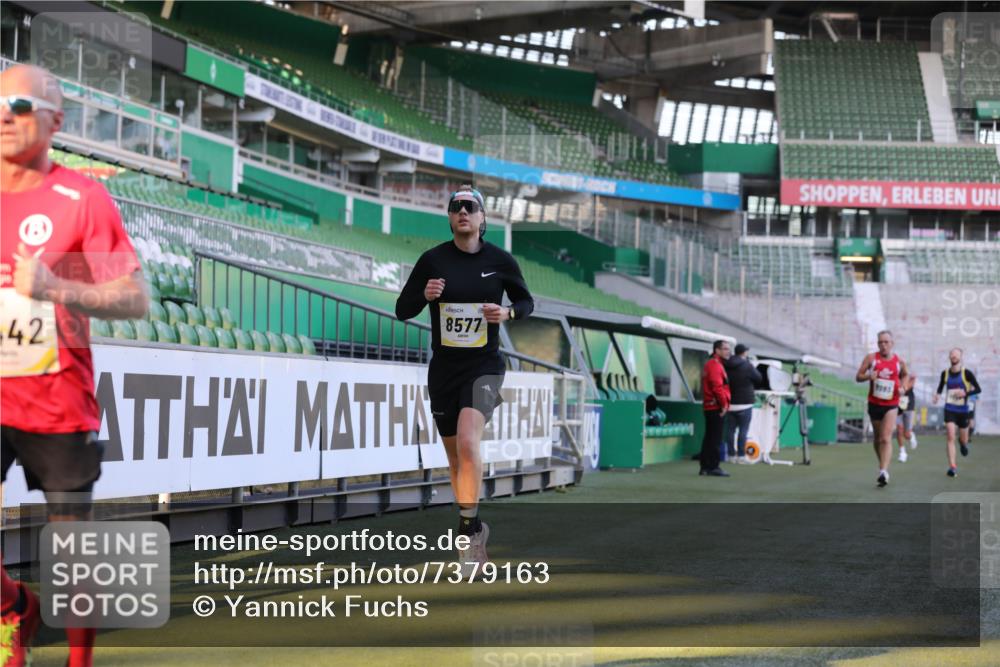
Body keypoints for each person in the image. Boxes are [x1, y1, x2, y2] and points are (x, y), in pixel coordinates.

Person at [1, 65, 149, 667]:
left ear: (55, 121)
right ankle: (15, 607)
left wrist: (59, 287)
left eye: (20, 104)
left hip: (57, 398)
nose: (6, 114)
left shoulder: (83, 198)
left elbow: (135, 298)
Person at [395, 185, 533, 575]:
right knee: (455, 459)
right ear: (450, 216)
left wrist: (506, 315)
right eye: (455, 207)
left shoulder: (500, 261)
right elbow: (403, 309)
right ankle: (473, 525)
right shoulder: (433, 260)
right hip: (444, 369)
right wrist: (424, 293)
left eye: (470, 207)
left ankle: (467, 534)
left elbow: (527, 302)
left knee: (470, 442)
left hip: (484, 366)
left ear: (482, 218)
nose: (462, 212)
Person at [855, 330, 909, 488]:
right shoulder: (871, 358)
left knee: (886, 438)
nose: (883, 345)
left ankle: (883, 471)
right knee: (877, 439)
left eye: (886, 342)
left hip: (891, 404)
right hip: (874, 403)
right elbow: (858, 376)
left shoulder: (899, 361)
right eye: (880, 342)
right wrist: (868, 376)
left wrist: (903, 387)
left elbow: (906, 375)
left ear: (892, 344)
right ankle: (882, 466)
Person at [932, 348, 982, 477]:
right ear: (949, 357)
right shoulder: (945, 373)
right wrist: (937, 395)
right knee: (950, 436)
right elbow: (940, 387)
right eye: (952, 354)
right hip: (950, 409)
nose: (953, 356)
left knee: (963, 439)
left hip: (963, 411)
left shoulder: (967, 373)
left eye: (956, 354)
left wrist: (965, 393)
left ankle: (963, 444)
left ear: (961, 356)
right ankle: (952, 467)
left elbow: (978, 389)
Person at [723, 343, 761, 464]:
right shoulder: (747, 365)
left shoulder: (726, 364)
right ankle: (741, 456)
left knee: (730, 430)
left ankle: (730, 456)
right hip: (745, 402)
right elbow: (758, 378)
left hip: (730, 402)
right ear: (744, 353)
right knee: (743, 431)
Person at [699, 340, 731, 477]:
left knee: (710, 437)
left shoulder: (712, 364)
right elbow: (717, 387)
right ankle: (713, 466)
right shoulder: (715, 365)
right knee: (715, 438)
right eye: (725, 349)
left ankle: (706, 467)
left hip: (711, 405)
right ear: (717, 350)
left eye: (728, 349)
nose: (728, 351)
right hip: (715, 406)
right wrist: (724, 404)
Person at [895, 373, 918, 462]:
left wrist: (902, 388)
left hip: (908, 405)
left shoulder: (908, 375)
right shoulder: (893, 373)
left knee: (906, 434)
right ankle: (902, 452)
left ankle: (911, 436)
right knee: (899, 429)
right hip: (897, 405)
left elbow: (910, 383)